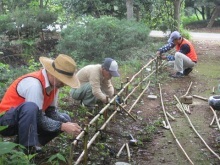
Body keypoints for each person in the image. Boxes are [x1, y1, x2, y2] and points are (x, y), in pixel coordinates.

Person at [0, 54, 82, 153]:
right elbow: (38, 117)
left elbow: (51, 112)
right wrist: (62, 126)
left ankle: (34, 144)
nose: (64, 84)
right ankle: (27, 149)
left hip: (26, 120)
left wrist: (67, 123)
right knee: (30, 107)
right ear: (53, 74)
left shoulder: (54, 86)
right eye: (63, 80)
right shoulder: (34, 84)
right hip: (6, 122)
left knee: (65, 118)